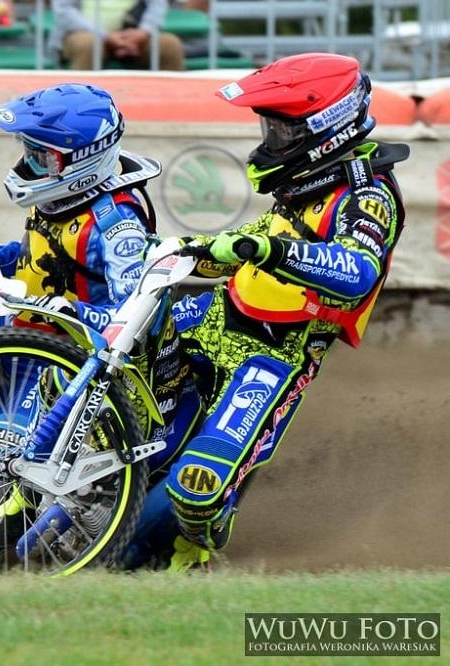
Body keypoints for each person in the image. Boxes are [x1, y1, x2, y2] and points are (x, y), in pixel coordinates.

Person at [122, 52, 409, 571]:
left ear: (324, 127)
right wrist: (186, 249)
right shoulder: (307, 182)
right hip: (214, 316)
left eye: (280, 130)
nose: (269, 140)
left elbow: (357, 270)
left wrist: (267, 252)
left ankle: (195, 547)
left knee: (197, 489)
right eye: (268, 127)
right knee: (115, 347)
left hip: (277, 353)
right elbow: (258, 238)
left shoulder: (368, 197)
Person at [0, 83, 193, 540]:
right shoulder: (57, 198)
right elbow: (40, 255)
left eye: (42, 157)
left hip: (79, 369)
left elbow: (132, 316)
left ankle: (23, 539)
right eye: (28, 152)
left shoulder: (115, 223)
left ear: (84, 160)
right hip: (27, 342)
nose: (29, 165)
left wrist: (65, 309)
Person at [49, 0, 184, 71]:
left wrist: (144, 32)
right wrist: (105, 35)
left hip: (135, 36)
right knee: (89, 44)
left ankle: (174, 105)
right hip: (84, 34)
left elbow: (157, 5)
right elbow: (64, 11)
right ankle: (80, 104)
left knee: (169, 45)